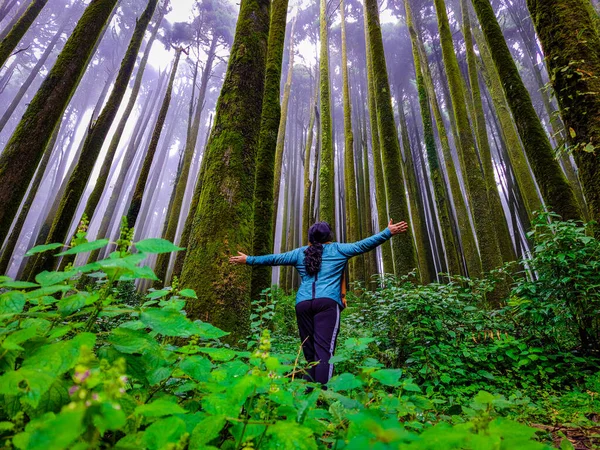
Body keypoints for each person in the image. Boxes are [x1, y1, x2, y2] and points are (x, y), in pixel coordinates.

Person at [230, 219, 408, 386]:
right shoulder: (339, 249)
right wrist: (387, 232)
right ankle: (321, 395)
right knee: (324, 353)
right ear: (329, 237)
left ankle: (310, 392)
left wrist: (248, 260)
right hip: (327, 303)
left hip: (303, 305)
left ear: (309, 238)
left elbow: (274, 259)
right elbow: (364, 245)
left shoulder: (299, 253)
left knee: (309, 353)